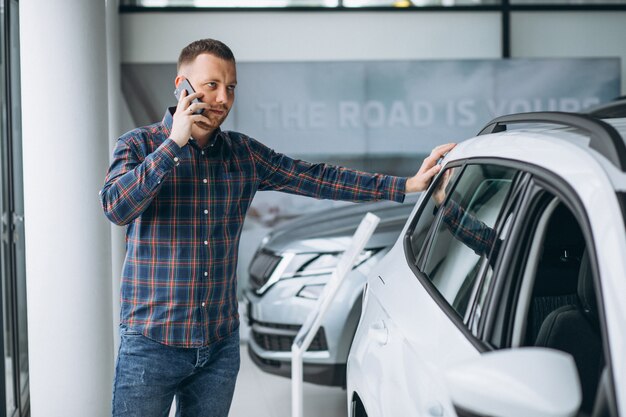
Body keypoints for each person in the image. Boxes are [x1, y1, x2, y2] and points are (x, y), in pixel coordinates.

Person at [100, 38, 455, 417]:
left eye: (231, 87)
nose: (223, 98)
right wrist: (173, 144)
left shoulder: (244, 154)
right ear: (181, 85)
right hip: (151, 343)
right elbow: (116, 207)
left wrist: (405, 186)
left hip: (218, 346)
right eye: (211, 85)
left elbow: (318, 178)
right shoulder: (139, 145)